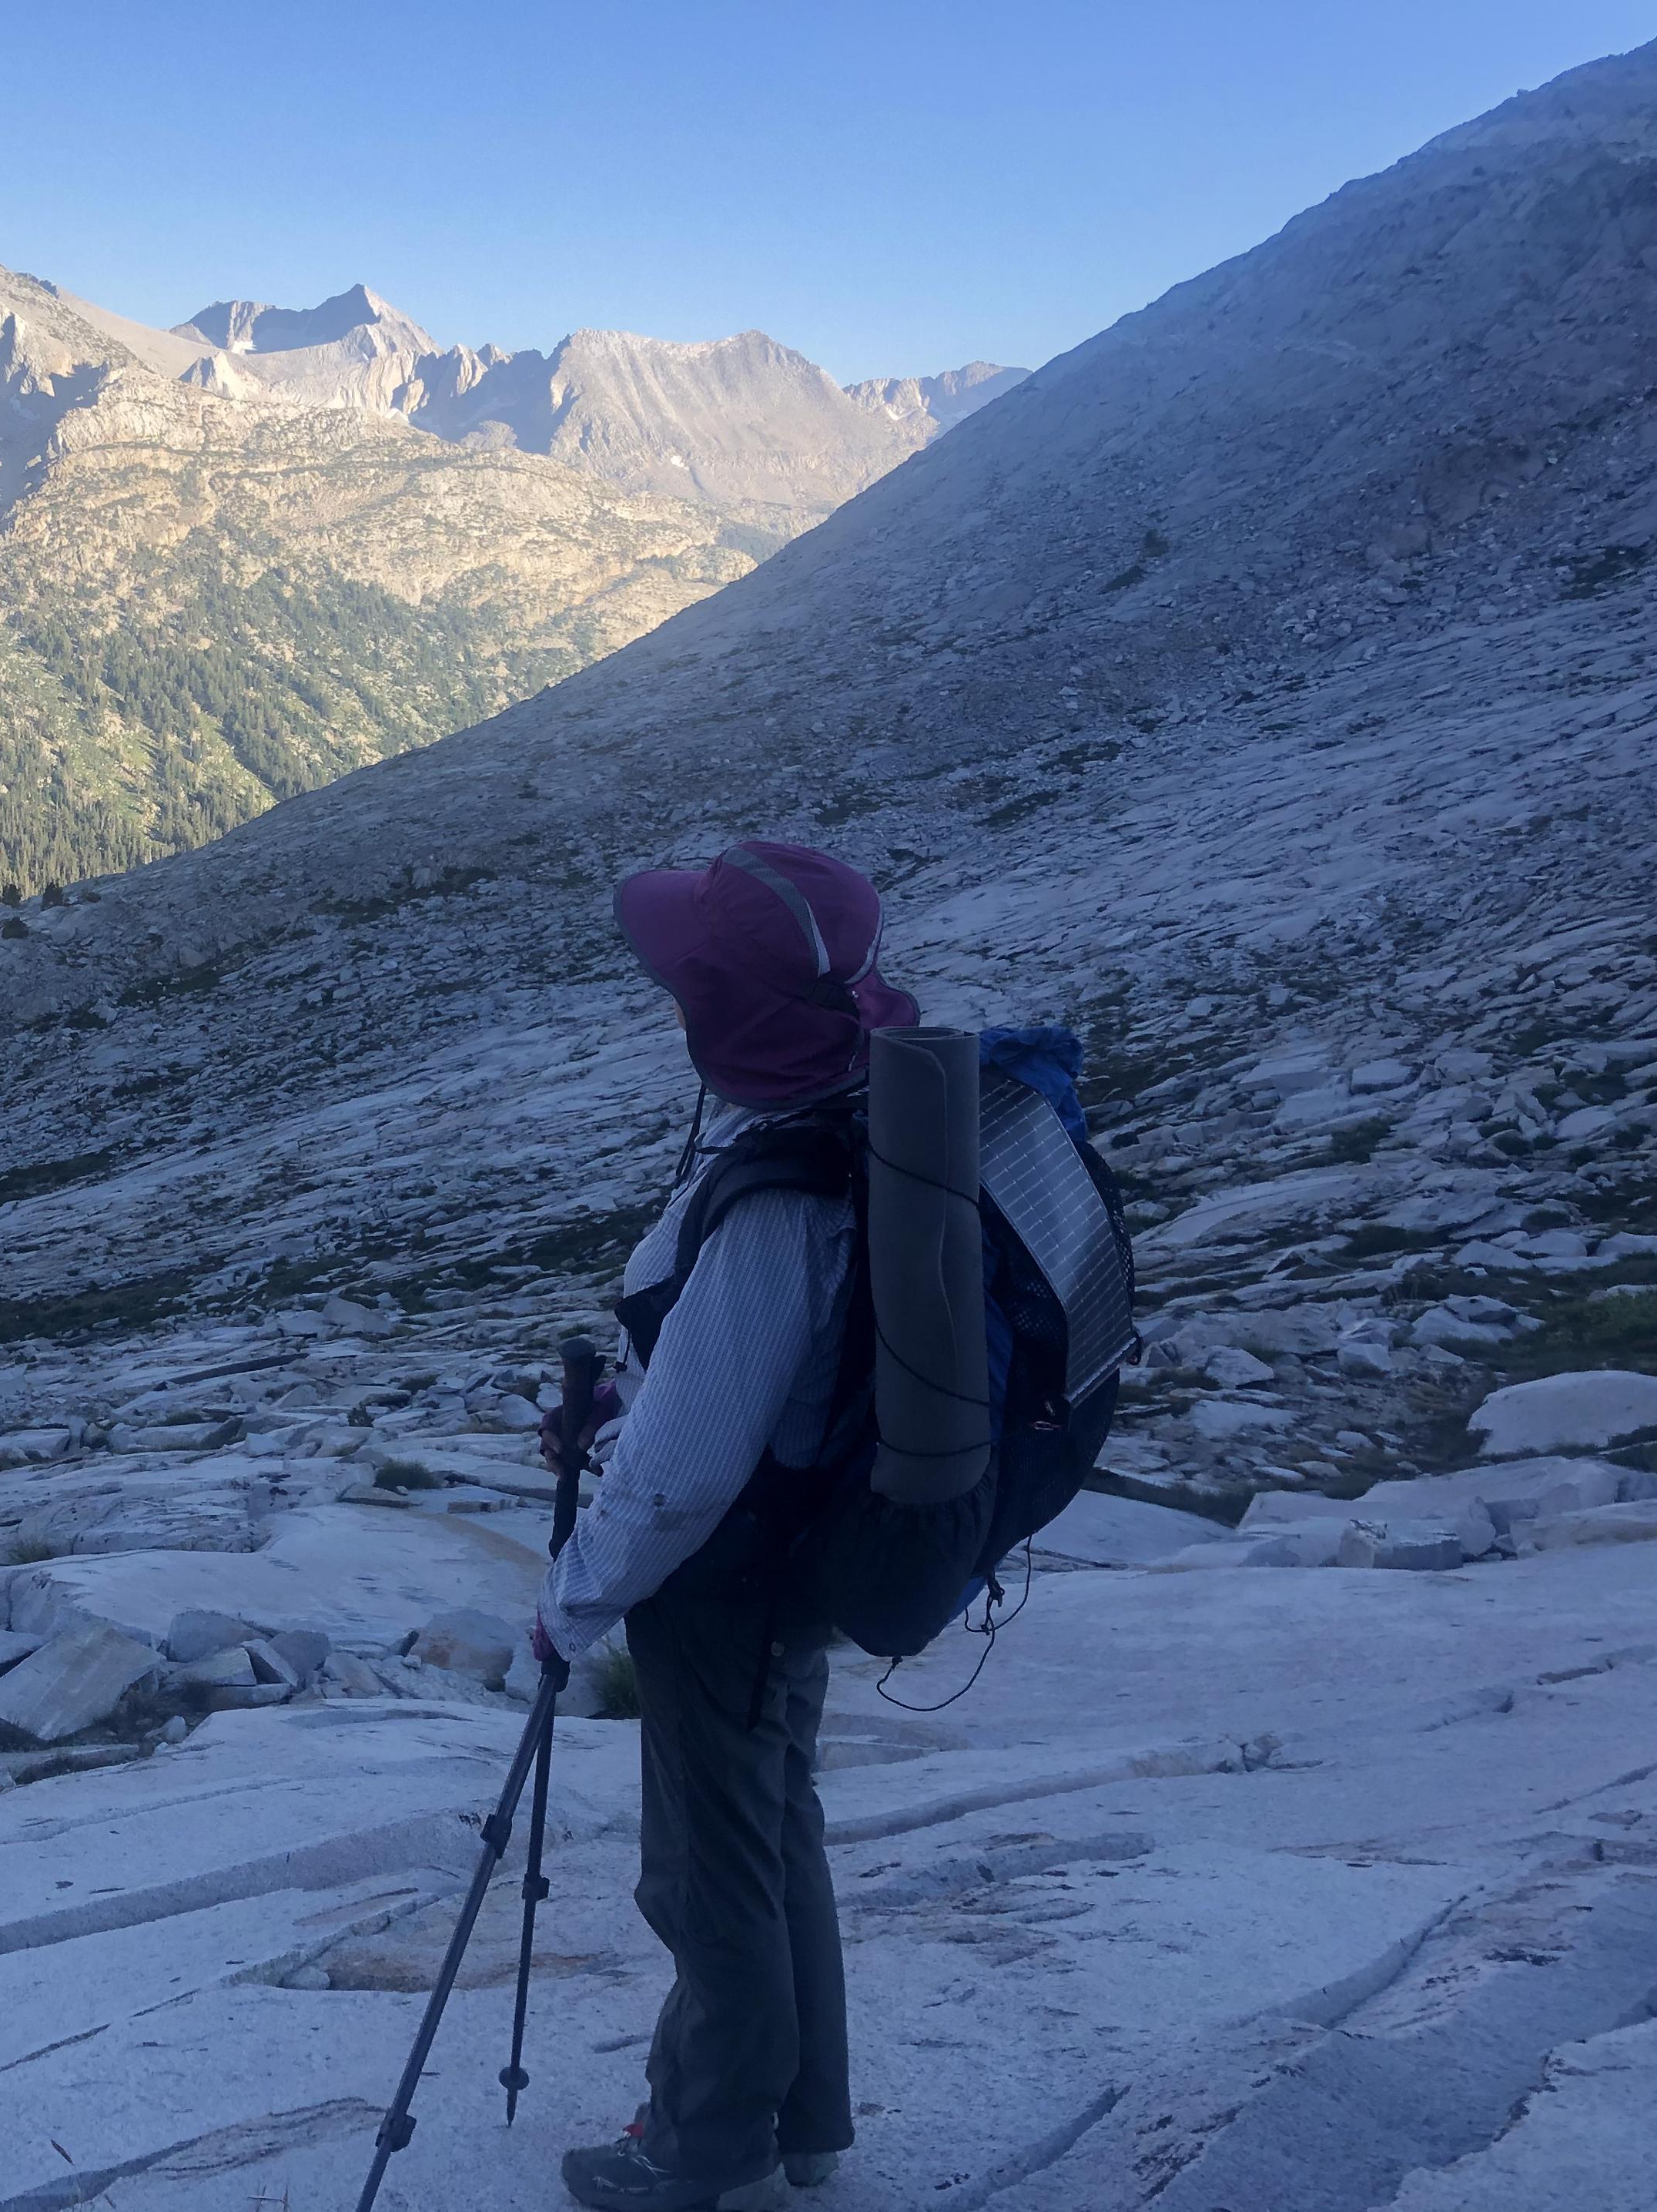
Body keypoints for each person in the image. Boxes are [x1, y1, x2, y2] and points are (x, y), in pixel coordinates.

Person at [535, 841, 919, 2212]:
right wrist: (633, 1403)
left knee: (703, 1869)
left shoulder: (781, 1199)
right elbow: (734, 1389)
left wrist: (568, 1603)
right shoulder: (867, 1121)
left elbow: (687, 1475)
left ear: (720, 1020)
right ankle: (806, 2119)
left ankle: (704, 2138)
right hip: (803, 1544)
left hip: (726, 1577)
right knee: (773, 1826)